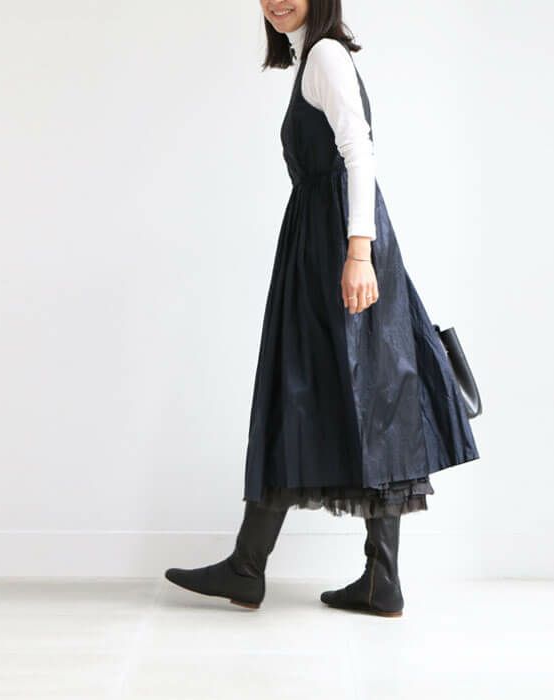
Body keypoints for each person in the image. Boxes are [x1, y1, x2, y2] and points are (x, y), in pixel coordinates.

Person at [165, 0, 479, 616]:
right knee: (355, 388)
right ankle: (367, 579)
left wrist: (358, 252)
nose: (274, 0)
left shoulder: (327, 55)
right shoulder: (312, 56)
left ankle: (253, 567)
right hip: (323, 238)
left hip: (338, 241)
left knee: (324, 386)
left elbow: (359, 152)